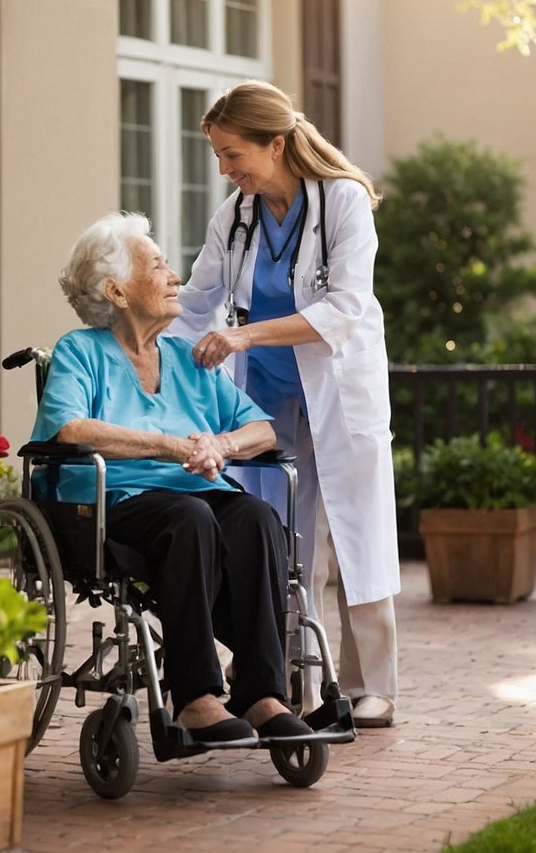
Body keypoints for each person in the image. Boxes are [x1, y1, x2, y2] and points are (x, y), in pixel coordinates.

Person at [30, 211, 310, 742]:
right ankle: (196, 698)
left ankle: (260, 694)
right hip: (114, 499)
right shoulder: (80, 351)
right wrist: (170, 445)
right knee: (191, 516)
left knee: (254, 515)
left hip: (194, 495)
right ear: (115, 290)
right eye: (157, 265)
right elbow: (68, 430)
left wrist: (220, 444)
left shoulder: (187, 357)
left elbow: (263, 430)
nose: (175, 275)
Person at [172, 79, 400, 728]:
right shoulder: (236, 216)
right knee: (279, 540)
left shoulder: (343, 202)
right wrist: (136, 341)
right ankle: (286, 682)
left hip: (338, 390)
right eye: (218, 155)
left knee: (356, 531)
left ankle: (369, 685)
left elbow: (346, 308)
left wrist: (243, 332)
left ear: (276, 144)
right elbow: (196, 304)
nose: (225, 168)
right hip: (264, 398)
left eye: (232, 153)